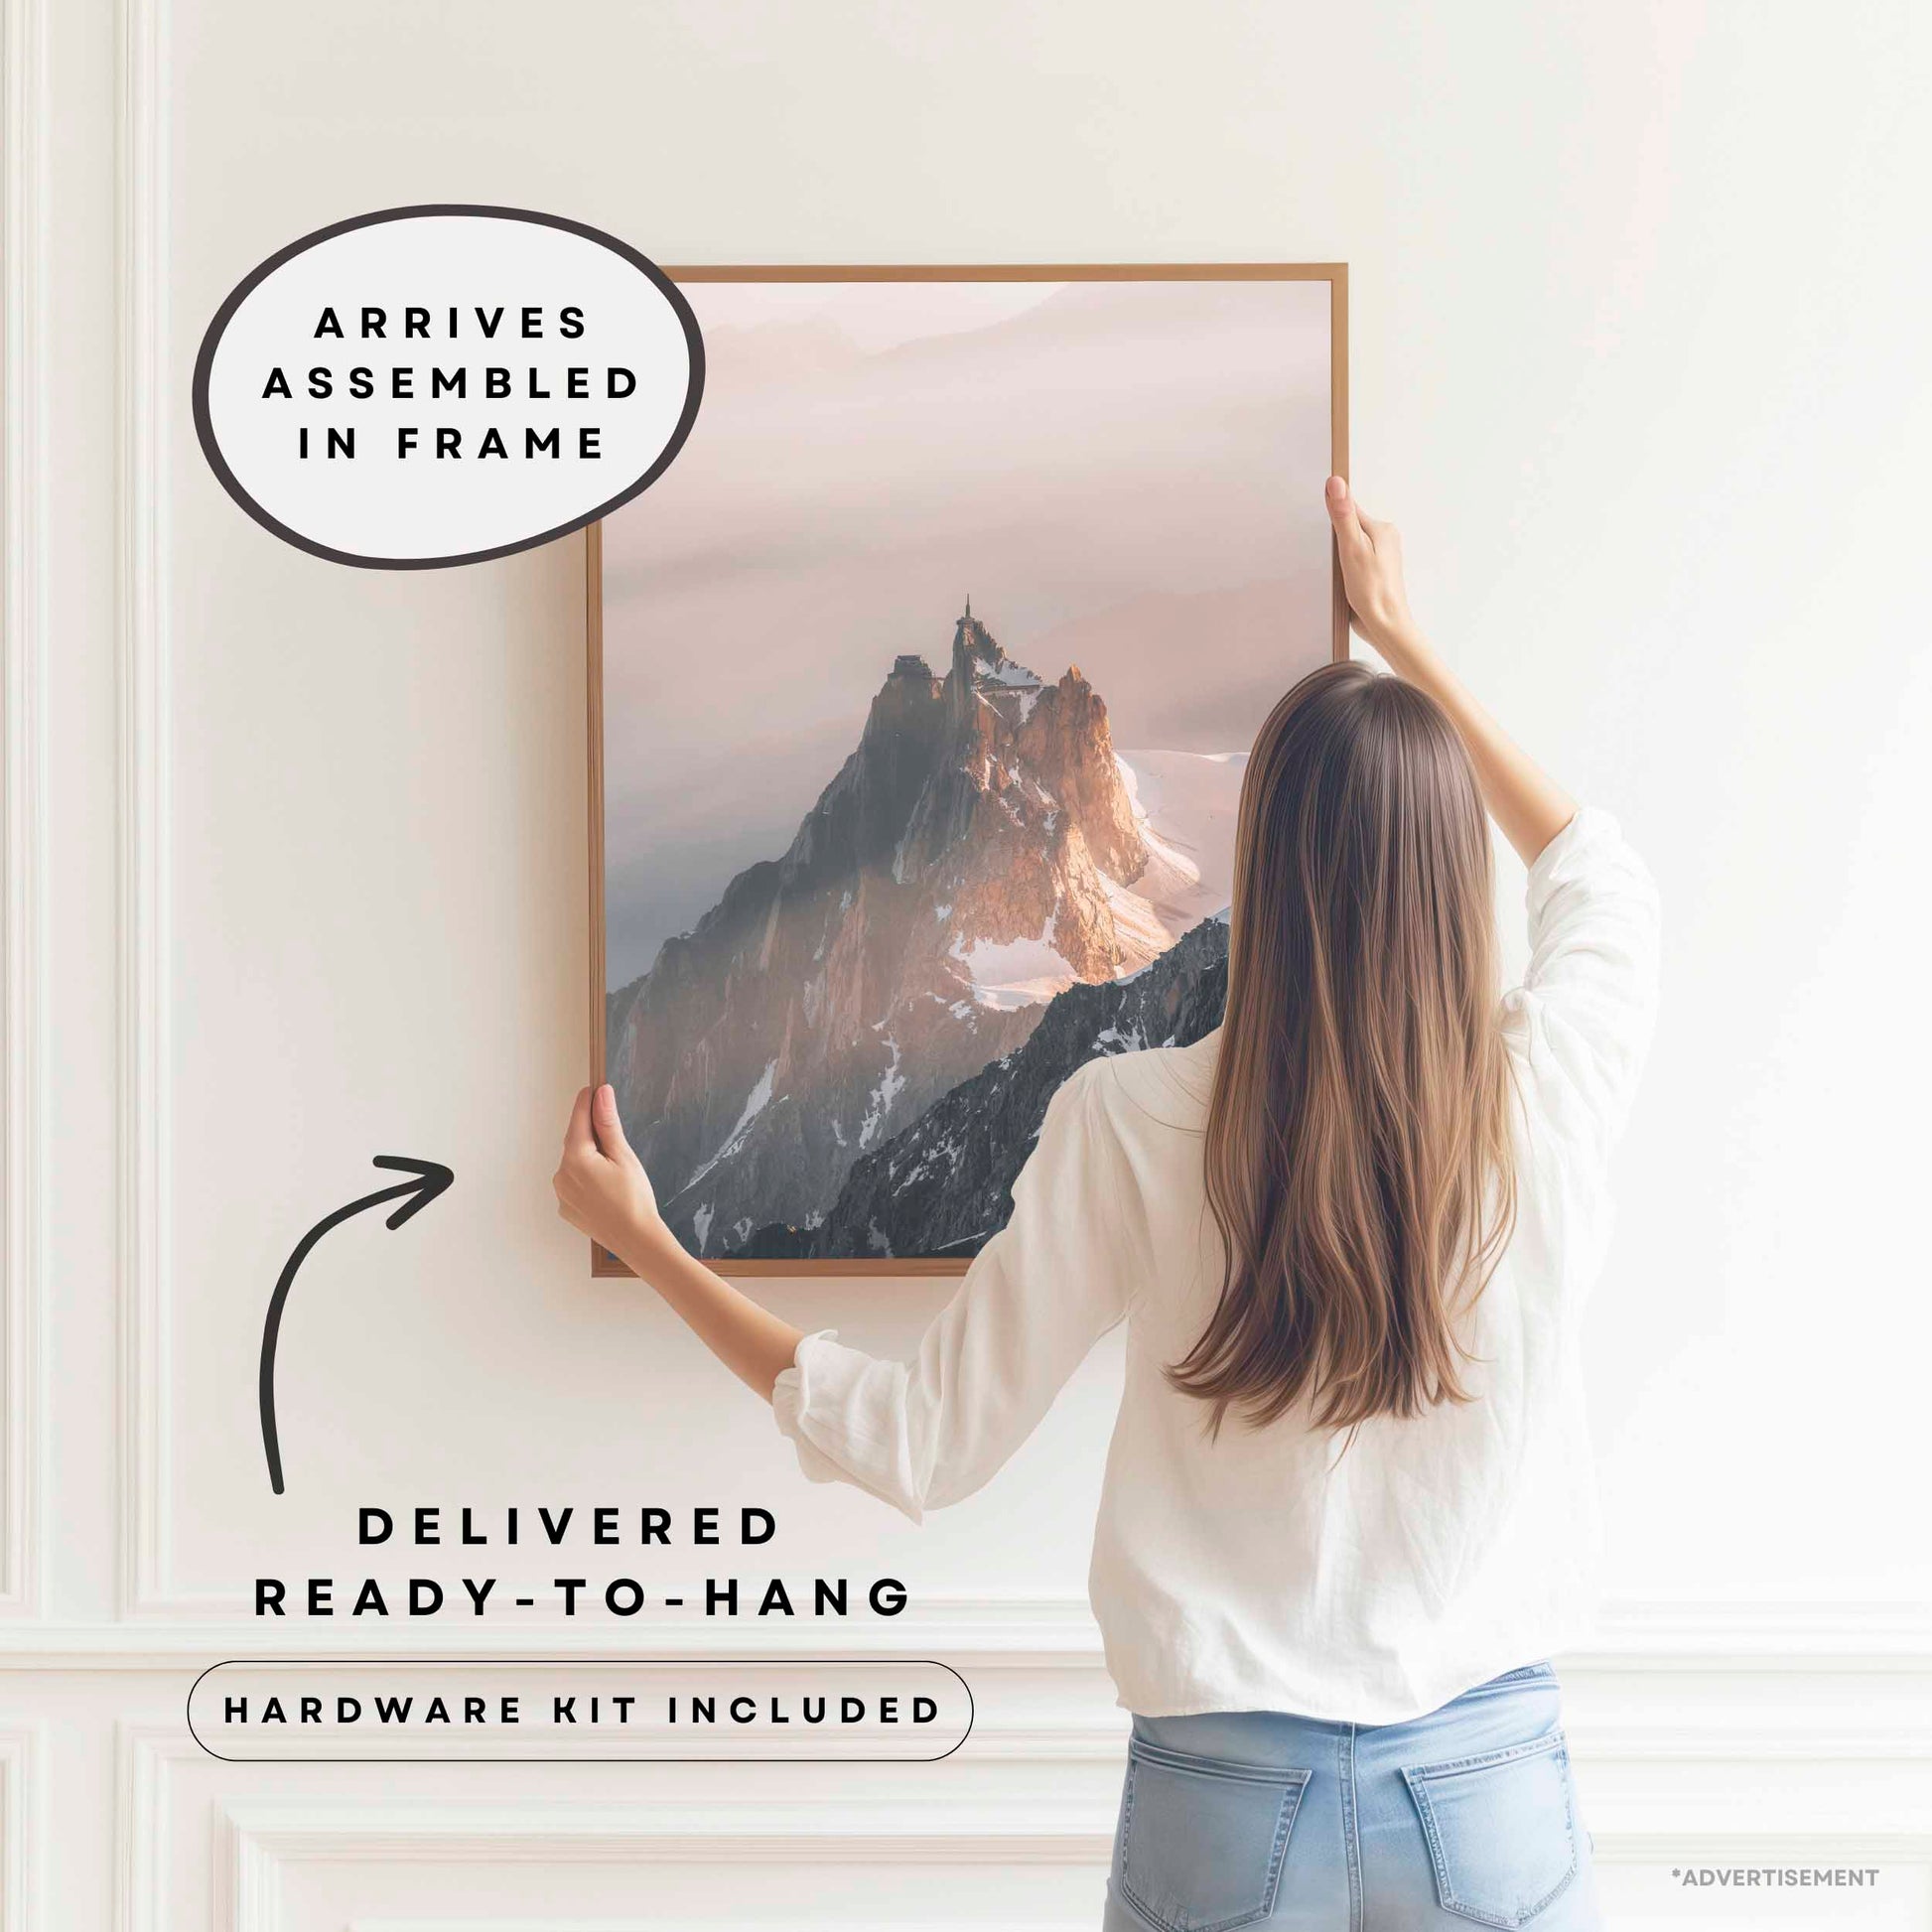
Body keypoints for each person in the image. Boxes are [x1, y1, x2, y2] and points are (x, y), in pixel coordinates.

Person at [555, 477, 1660, 1930]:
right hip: (1485, 1788)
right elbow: (1601, 873)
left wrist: (645, 1241)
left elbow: (917, 1443)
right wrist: (1407, 649)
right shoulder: (1546, 1093)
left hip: (1224, 1803)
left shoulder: (1131, 1119)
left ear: (1260, 869)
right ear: (1450, 877)